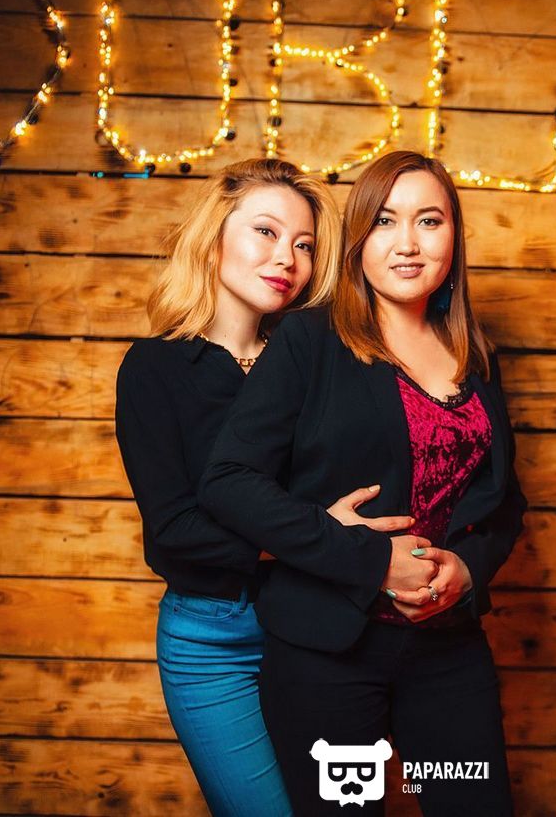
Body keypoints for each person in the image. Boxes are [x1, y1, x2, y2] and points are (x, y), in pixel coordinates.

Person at [200, 150, 527, 815]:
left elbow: (504, 502)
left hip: (446, 649)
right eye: (384, 220)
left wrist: (467, 569)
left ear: (454, 236)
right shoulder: (311, 340)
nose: (407, 243)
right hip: (329, 654)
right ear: (357, 239)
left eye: (428, 221)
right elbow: (228, 479)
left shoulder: (475, 355)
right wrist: (371, 559)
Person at [115, 158, 435, 817]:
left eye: (305, 244)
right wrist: (321, 537)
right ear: (214, 237)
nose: (287, 258)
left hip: (324, 625)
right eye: (265, 231)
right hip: (216, 640)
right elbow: (174, 534)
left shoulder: (319, 355)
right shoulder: (155, 368)